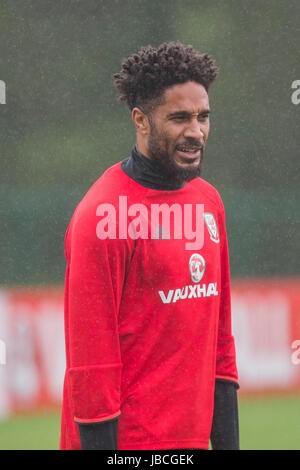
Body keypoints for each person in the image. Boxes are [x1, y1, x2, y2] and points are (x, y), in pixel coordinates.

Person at [59, 41, 239, 451]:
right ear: (141, 120)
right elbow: (92, 371)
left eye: (203, 117)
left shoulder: (209, 202)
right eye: (179, 118)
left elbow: (221, 345)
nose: (196, 131)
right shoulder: (101, 217)